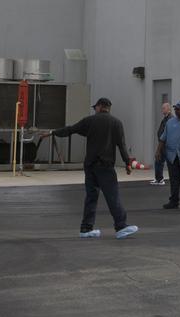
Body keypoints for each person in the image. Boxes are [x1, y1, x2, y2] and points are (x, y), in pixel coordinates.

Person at [40, 97, 139, 239]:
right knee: (112, 195)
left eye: (95, 108)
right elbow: (121, 145)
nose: (95, 110)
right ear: (108, 108)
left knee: (91, 197)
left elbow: (71, 130)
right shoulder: (116, 123)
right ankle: (121, 226)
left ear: (99, 107)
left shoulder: (89, 121)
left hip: (90, 166)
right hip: (105, 166)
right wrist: (127, 163)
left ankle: (86, 228)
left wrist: (52, 133)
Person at [151, 102, 171, 186]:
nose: (162, 109)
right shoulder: (165, 119)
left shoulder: (170, 119)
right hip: (162, 145)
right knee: (158, 161)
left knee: (171, 163)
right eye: (162, 108)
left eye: (164, 108)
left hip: (167, 145)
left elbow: (168, 133)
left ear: (168, 109)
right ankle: (159, 179)